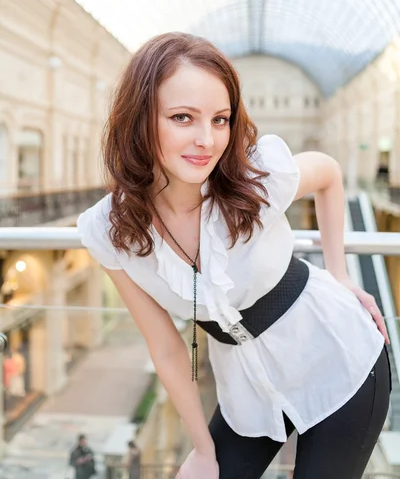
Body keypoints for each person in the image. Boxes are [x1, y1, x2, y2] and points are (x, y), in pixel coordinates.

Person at [77, 32, 391, 479]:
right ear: (140, 119)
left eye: (220, 119)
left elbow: (328, 173)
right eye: (182, 117)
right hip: (248, 393)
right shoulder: (108, 229)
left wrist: (338, 274)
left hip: (340, 362)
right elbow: (165, 348)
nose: (206, 139)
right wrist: (203, 451)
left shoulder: (254, 178)